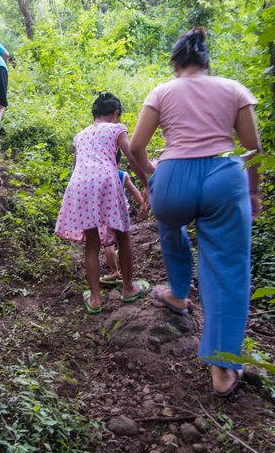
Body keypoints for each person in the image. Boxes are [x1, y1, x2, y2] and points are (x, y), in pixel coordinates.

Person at [129, 27, 262, 398]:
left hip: (173, 176)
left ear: (175, 64)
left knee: (170, 225)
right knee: (227, 267)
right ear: (207, 61)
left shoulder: (162, 91)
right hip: (224, 177)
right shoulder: (234, 89)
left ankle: (176, 292)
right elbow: (252, 148)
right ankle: (221, 368)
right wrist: (252, 191)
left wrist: (154, 180)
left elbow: (138, 147)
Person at [55, 92, 151, 314]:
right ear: (115, 114)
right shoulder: (116, 128)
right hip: (106, 179)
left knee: (92, 243)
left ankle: (96, 299)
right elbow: (132, 156)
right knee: (122, 235)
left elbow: (78, 165)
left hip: (79, 183)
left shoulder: (80, 135)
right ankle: (128, 288)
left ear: (94, 114)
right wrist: (146, 184)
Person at [102, 151, 146, 284]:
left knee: (108, 243)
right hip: (121, 212)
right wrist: (143, 204)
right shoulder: (122, 175)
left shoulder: (100, 176)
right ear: (119, 162)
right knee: (123, 242)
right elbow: (133, 190)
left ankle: (114, 271)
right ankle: (126, 273)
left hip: (104, 214)